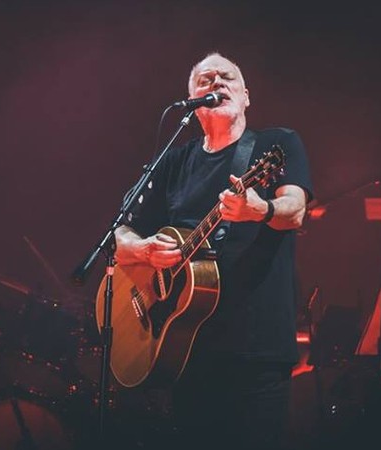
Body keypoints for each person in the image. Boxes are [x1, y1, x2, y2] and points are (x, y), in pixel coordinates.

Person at [114, 52, 314, 449]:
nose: (216, 83)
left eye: (227, 78)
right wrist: (143, 249)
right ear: (191, 101)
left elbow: (295, 209)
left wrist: (262, 209)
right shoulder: (175, 159)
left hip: (256, 352)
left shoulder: (276, 144)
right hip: (185, 351)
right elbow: (119, 234)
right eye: (205, 80)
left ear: (245, 96)